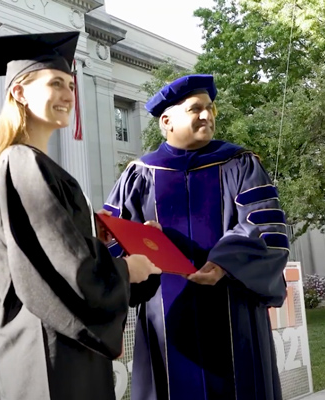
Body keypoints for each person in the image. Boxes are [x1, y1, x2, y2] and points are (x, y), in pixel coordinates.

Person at [0, 31, 161, 400]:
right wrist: (127, 269)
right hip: (44, 348)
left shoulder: (36, 165)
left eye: (71, 86)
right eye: (56, 83)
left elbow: (58, 247)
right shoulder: (21, 162)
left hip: (59, 342)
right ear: (20, 93)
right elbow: (64, 268)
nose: (68, 95)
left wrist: (107, 237)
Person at [103, 74, 290, 400]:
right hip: (166, 318)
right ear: (167, 121)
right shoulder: (139, 175)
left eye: (210, 108)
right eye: (195, 109)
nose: (208, 115)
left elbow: (265, 228)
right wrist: (141, 242)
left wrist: (223, 262)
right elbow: (112, 239)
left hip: (234, 312)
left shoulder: (241, 164)